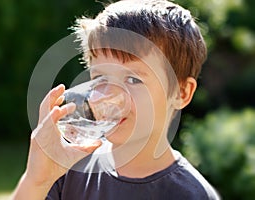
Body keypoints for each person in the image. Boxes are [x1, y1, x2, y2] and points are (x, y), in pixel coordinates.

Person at [12, 0, 220, 199]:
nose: (110, 98)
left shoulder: (192, 195)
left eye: (133, 79)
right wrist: (37, 180)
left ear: (181, 93)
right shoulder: (68, 170)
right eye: (101, 78)